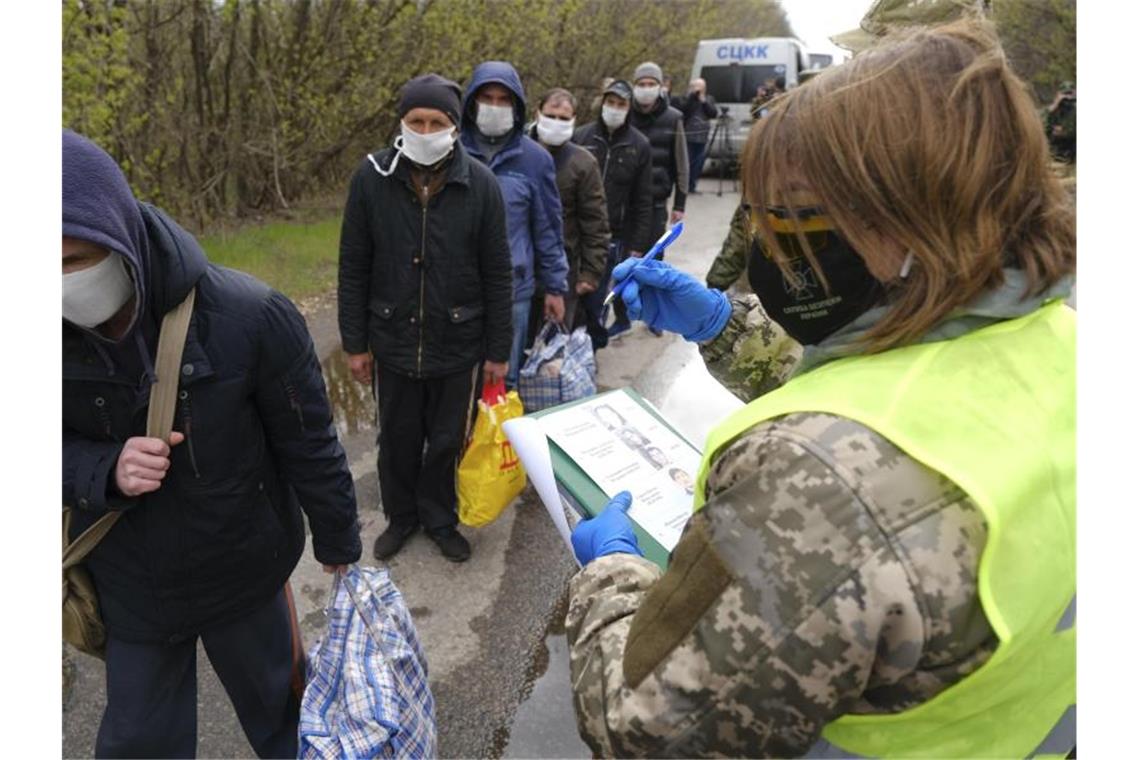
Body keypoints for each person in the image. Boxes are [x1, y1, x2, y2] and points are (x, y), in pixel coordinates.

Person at [565, 19, 1075, 758]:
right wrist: (723, 327)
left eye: (799, 214)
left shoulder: (812, 482)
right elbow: (904, 409)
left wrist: (610, 573)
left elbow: (650, 729)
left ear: (905, 217)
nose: (775, 243)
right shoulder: (1066, 341)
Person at [63, 130, 363, 758]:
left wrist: (339, 540)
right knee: (138, 743)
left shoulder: (249, 315)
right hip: (133, 591)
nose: (58, 285)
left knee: (287, 722)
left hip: (245, 572)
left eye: (72, 263)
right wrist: (101, 467)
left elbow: (308, 441)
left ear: (121, 236)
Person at [338, 74, 513, 563]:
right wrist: (355, 342)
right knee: (396, 438)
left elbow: (498, 273)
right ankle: (401, 516)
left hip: (456, 341)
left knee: (444, 440)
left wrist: (498, 351)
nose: (426, 128)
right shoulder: (371, 177)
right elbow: (353, 265)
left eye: (437, 121)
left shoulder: (480, 183)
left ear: (454, 127)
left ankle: (438, 517)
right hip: (391, 336)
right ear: (402, 122)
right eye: (417, 119)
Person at [460, 61, 569, 390]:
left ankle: (498, 441)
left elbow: (548, 228)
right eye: (487, 98)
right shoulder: (451, 152)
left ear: (517, 106)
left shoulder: (535, 159)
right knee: (458, 380)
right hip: (457, 291)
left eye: (503, 100)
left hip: (514, 292)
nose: (495, 107)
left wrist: (554, 286)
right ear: (471, 104)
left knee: (502, 379)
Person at [526, 87, 610, 346]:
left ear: (574, 120)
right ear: (537, 113)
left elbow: (596, 222)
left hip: (564, 270)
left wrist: (591, 273)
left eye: (564, 119)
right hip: (519, 268)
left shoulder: (583, 163)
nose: (557, 123)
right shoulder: (517, 153)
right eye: (551, 115)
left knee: (553, 351)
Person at [572, 79, 653, 346]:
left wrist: (638, 245)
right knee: (569, 300)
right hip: (575, 234)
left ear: (629, 108)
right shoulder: (581, 136)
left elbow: (643, 200)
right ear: (602, 103)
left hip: (614, 238)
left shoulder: (639, 145)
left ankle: (590, 353)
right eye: (611, 102)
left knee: (597, 303)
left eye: (621, 104)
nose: (615, 108)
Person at [629, 61, 689, 247]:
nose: (646, 89)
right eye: (641, 84)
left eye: (651, 84)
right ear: (634, 86)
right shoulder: (624, 114)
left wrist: (679, 204)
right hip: (626, 198)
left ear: (660, 86)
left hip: (656, 200)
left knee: (653, 253)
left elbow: (682, 164)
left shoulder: (673, 118)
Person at [677, 77, 718, 194]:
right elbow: (684, 110)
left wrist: (703, 101)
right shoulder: (687, 98)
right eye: (697, 86)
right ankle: (684, 186)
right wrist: (692, 97)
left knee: (698, 163)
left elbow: (713, 113)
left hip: (702, 137)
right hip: (688, 135)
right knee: (687, 162)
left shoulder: (709, 99)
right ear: (691, 87)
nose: (699, 89)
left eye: (702, 87)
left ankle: (692, 186)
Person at [1045, 80, 1076, 163]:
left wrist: (1064, 131)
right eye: (1065, 94)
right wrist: (1054, 106)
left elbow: (1072, 131)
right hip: (1055, 153)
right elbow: (1040, 128)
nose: (1067, 98)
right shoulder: (1054, 110)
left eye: (1070, 94)